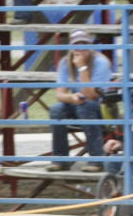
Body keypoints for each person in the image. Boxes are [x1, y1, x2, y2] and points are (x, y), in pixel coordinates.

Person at [47, 29, 113, 171]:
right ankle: (60, 159)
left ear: (90, 46)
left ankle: (96, 160)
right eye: (77, 45)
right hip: (77, 103)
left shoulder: (101, 62)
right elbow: (59, 95)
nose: (81, 49)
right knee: (56, 110)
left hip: (100, 106)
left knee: (86, 106)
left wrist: (82, 67)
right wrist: (71, 97)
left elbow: (91, 95)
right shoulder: (65, 62)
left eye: (84, 45)